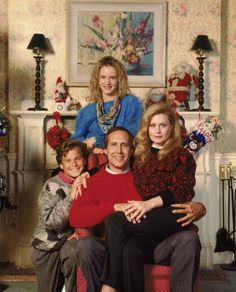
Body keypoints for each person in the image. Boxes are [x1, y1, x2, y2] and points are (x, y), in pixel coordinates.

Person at [69, 126, 205, 292]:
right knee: (85, 246)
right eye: (113, 145)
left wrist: (200, 207)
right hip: (111, 250)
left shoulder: (146, 173)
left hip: (153, 245)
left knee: (189, 239)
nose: (119, 151)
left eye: (125, 145)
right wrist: (114, 207)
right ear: (104, 150)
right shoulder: (91, 182)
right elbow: (75, 216)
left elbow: (176, 192)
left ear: (132, 150)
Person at [100, 103, 197, 292]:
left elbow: (181, 190)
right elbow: (117, 162)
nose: (158, 130)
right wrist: (87, 173)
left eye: (163, 125)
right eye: (153, 125)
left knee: (114, 220)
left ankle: (110, 284)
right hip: (148, 219)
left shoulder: (182, 155)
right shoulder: (140, 155)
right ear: (147, 127)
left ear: (172, 127)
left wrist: (148, 204)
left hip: (172, 213)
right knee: (130, 251)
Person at [31, 140, 91, 292]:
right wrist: (71, 197)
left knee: (73, 254)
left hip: (67, 243)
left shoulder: (87, 181)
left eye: (78, 158)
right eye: (68, 160)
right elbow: (50, 223)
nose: (74, 164)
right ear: (61, 165)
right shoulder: (52, 186)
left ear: (84, 160)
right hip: (46, 247)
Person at [71, 56, 143, 155]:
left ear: (119, 80)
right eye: (103, 77)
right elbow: (76, 139)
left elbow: (130, 136)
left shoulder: (131, 103)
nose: (107, 82)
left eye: (112, 78)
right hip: (93, 157)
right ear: (97, 79)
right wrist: (89, 147)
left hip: (122, 157)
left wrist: (96, 141)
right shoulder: (87, 110)